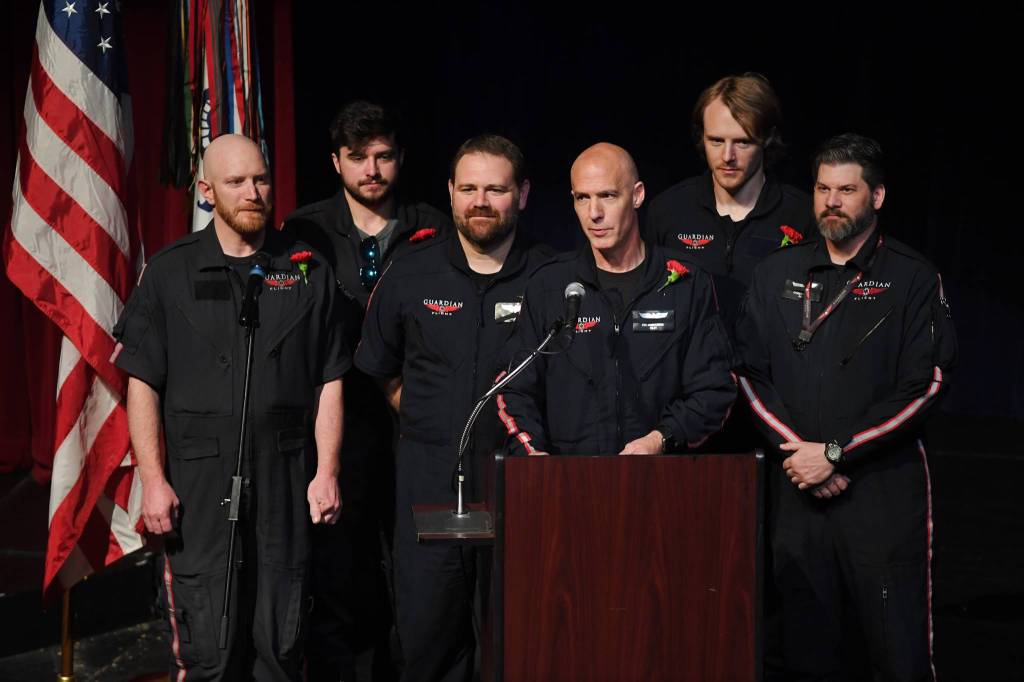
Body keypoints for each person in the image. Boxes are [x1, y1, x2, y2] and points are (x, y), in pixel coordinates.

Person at [114, 134, 349, 681]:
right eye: (236, 182)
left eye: (261, 179)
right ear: (207, 191)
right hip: (198, 483)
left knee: (281, 646)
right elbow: (142, 383)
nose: (253, 193)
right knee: (209, 654)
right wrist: (152, 479)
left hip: (285, 478)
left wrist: (327, 471)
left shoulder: (306, 269)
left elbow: (330, 380)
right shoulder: (171, 273)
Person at [735, 134, 957, 680]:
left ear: (877, 197)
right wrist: (802, 456)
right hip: (797, 492)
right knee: (804, 653)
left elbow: (926, 385)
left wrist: (836, 453)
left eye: (847, 190)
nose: (831, 201)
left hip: (880, 497)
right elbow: (747, 374)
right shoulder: (774, 274)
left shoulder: (912, 277)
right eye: (822, 189)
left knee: (894, 654)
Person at [355, 134, 553, 682]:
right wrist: (428, 419)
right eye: (468, 188)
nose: (480, 201)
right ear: (449, 193)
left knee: (518, 643)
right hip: (428, 488)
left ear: (524, 194)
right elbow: (379, 366)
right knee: (426, 646)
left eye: (495, 188)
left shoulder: (554, 275)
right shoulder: (411, 271)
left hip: (520, 489)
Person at [283, 100, 450, 680]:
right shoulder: (302, 230)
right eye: (358, 158)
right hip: (337, 422)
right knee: (340, 568)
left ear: (400, 158)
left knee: (418, 564)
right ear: (336, 161)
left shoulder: (434, 221)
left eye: (383, 157)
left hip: (416, 417)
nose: (371, 171)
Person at [497, 142, 735, 456]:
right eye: (583, 198)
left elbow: (715, 390)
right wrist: (533, 456)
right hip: (568, 487)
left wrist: (660, 439)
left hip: (664, 484)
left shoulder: (687, 284)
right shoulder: (549, 285)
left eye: (608, 196)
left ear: (637, 195)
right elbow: (513, 389)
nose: (594, 214)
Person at [646, 73, 815, 329]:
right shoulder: (667, 210)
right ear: (701, 136)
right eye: (715, 141)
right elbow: (649, 311)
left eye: (743, 142)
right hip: (687, 368)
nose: (727, 156)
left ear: (767, 138)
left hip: (769, 368)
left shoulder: (802, 215)